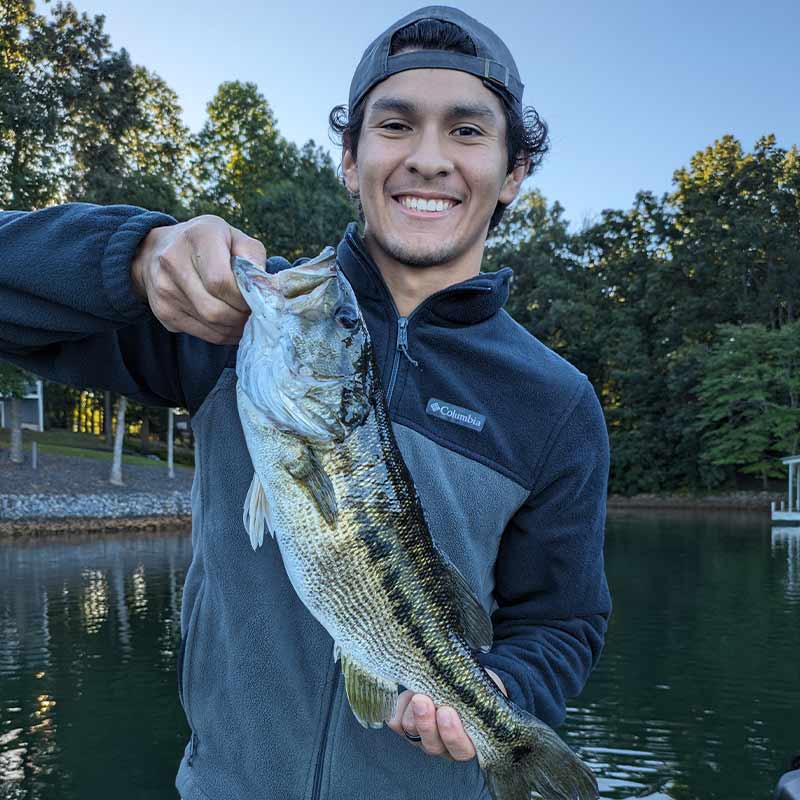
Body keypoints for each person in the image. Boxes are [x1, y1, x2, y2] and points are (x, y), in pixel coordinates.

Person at [0, 6, 611, 799]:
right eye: (395, 125)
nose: (428, 158)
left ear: (514, 170)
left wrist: (503, 691)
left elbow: (564, 624)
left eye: (466, 131)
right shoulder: (234, 318)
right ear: (350, 160)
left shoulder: (556, 401)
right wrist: (134, 256)